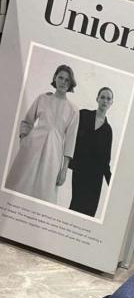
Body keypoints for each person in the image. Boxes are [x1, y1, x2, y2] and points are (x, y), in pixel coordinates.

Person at [5, 65, 79, 204]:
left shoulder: (73, 110)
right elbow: (27, 122)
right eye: (60, 78)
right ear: (55, 78)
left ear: (71, 83)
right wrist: (24, 141)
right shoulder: (42, 98)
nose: (63, 82)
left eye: (67, 80)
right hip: (30, 149)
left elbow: (70, 142)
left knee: (44, 195)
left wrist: (64, 171)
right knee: (19, 187)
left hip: (53, 155)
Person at [68, 87, 114, 217]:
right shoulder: (83, 115)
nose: (105, 101)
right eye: (102, 97)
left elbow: (106, 161)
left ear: (111, 103)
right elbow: (68, 132)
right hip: (80, 172)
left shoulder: (108, 130)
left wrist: (111, 184)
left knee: (88, 213)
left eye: (108, 98)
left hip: (96, 178)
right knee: (75, 206)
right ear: (97, 99)